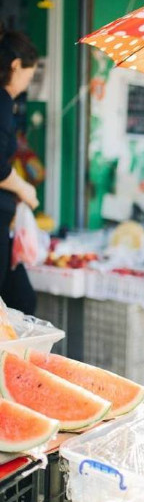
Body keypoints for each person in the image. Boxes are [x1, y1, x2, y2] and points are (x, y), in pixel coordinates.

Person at [0, 22, 39, 315]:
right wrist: (23, 187)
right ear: (15, 65)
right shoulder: (2, 101)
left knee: (20, 299)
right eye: (30, 72)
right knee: (18, 303)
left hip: (5, 221)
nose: (29, 80)